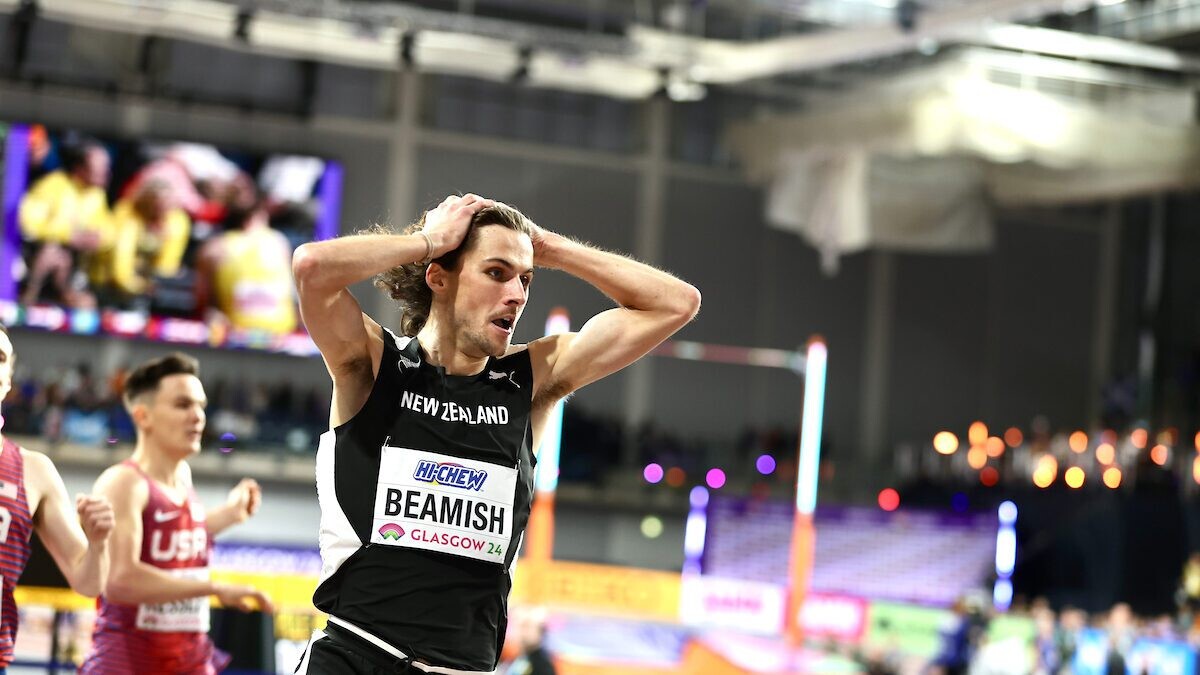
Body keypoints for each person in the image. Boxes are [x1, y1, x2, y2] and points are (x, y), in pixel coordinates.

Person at [291, 194, 701, 673]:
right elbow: (312, 267)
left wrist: (552, 248)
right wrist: (427, 241)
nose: (518, 295)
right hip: (355, 655)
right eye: (497, 272)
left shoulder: (533, 379)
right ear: (438, 277)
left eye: (525, 279)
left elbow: (677, 304)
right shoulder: (374, 363)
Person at [80, 353, 273, 674]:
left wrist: (230, 514)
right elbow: (120, 580)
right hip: (128, 665)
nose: (198, 416)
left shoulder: (183, 476)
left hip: (189, 659)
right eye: (183, 405)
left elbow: (171, 536)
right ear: (143, 416)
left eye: (201, 405)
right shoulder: (124, 482)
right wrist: (215, 588)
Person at [0, 324, 115, 672]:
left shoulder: (33, 471)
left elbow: (88, 581)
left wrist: (99, 543)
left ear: (8, 381)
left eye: (0, 358)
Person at [17, 140, 113, 308]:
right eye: (98, 170)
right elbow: (27, 223)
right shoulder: (52, 185)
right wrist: (68, 235)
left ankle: (67, 296)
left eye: (106, 169)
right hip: (36, 259)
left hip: (74, 267)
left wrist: (97, 239)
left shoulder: (96, 195)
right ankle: (28, 296)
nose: (105, 174)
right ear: (79, 168)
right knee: (52, 251)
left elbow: (108, 229)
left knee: (87, 304)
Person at [195, 199, 297, 334]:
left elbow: (202, 299)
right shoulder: (280, 242)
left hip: (235, 332)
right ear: (252, 219)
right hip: (282, 332)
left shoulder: (213, 249)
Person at [505, 608, 556, 675]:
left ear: (540, 631)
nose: (521, 632)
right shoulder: (519, 658)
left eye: (526, 626)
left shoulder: (543, 664)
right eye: (518, 626)